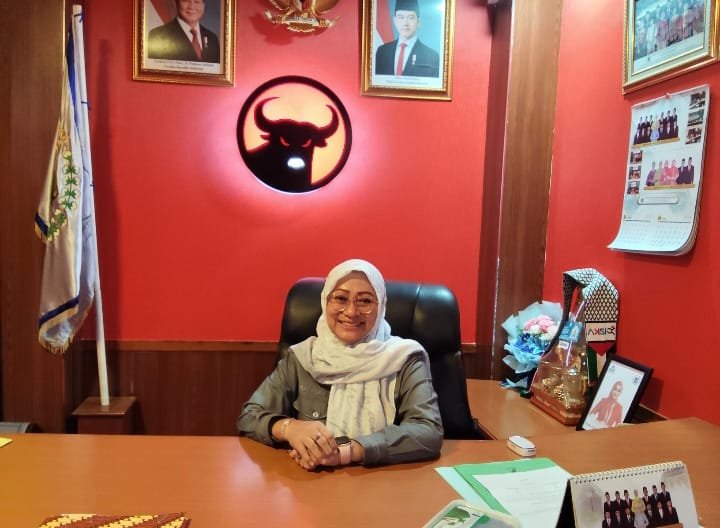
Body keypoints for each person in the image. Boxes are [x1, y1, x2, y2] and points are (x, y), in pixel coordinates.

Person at [237, 259, 443, 470]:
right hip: (309, 479)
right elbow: (250, 416)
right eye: (341, 298)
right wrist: (289, 428)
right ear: (325, 302)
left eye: (365, 301)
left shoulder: (404, 357)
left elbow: (428, 431)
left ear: (381, 306)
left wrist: (347, 451)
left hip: (382, 478)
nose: (351, 312)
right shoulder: (303, 357)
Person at [375, 0, 440, 78]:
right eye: (401, 17)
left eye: (411, 18)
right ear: (394, 20)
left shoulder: (432, 57)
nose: (405, 23)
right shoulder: (382, 52)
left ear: (418, 22)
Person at [148, 0, 220, 63]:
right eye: (186, 0)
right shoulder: (158, 36)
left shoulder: (212, 39)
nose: (191, 7)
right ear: (176, 3)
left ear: (203, 5)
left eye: (197, 2)